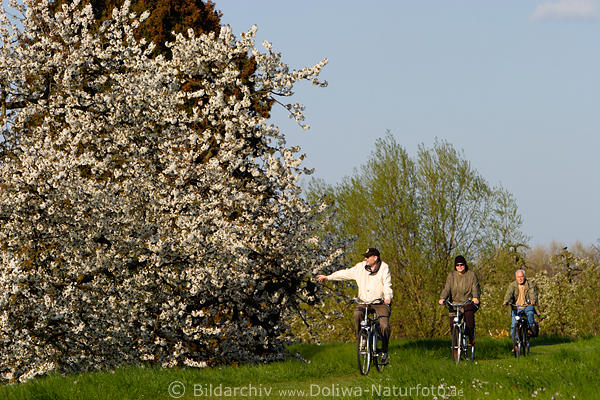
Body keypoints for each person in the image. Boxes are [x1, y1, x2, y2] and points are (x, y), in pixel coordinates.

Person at [317, 247, 393, 362]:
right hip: (364, 301)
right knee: (357, 315)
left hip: (380, 302)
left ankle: (384, 351)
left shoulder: (384, 268)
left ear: (375, 258)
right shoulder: (360, 267)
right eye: (365, 257)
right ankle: (362, 338)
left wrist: (387, 297)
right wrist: (328, 277)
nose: (365, 259)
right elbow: (345, 273)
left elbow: (387, 284)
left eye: (368, 257)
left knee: (384, 326)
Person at [438, 255, 481, 348]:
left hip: (468, 302)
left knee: (468, 315)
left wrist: (475, 297)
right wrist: (443, 298)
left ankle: (470, 337)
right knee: (453, 325)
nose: (460, 267)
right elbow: (447, 288)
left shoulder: (471, 275)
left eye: (462, 264)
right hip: (454, 304)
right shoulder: (451, 276)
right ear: (455, 266)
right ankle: (456, 348)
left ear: (465, 265)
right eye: (457, 265)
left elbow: (475, 288)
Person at [503, 269, 538, 341]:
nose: (520, 279)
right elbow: (508, 294)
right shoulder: (513, 285)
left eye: (522, 276)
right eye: (518, 277)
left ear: (524, 277)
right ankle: (515, 344)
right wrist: (506, 301)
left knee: (530, 314)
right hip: (516, 307)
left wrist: (533, 300)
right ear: (516, 277)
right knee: (514, 325)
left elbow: (533, 293)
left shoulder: (529, 284)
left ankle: (529, 330)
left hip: (527, 305)